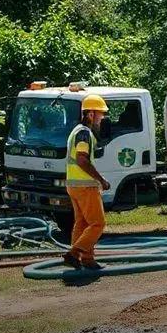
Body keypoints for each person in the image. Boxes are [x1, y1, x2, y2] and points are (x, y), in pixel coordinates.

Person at [62, 94, 111, 270]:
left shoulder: (76, 131)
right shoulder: (84, 133)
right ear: (90, 114)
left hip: (73, 185)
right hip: (84, 186)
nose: (102, 117)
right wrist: (101, 179)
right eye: (100, 113)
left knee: (82, 223)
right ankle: (74, 254)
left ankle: (87, 259)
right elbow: (82, 159)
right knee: (98, 223)